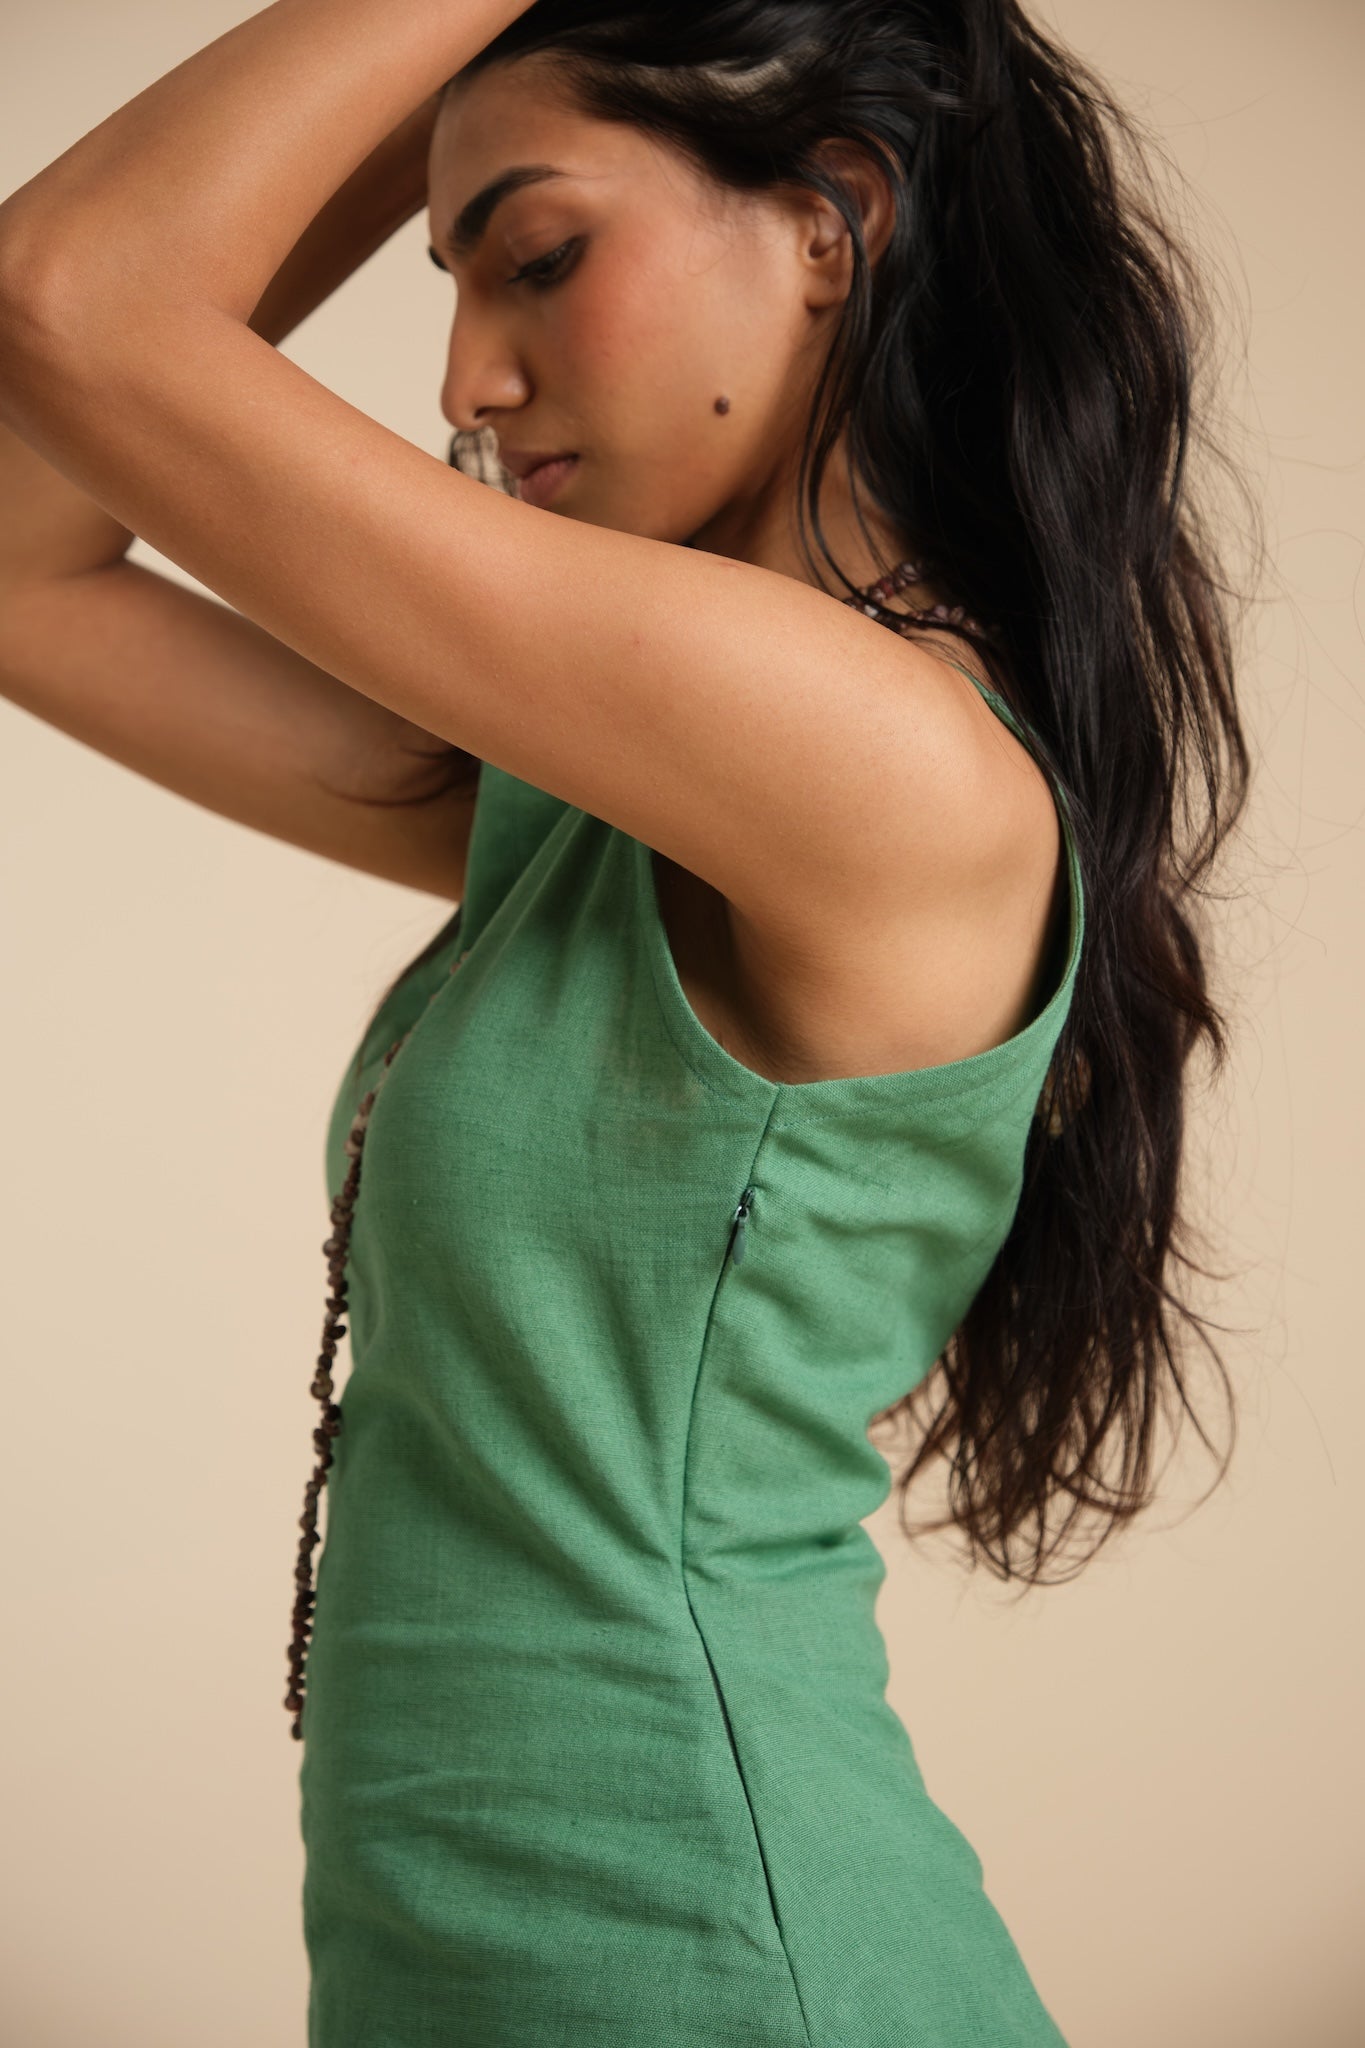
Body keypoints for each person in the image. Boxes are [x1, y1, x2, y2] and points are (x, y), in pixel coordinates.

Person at [0, 0, 1254, 2040]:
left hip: (704, 1963)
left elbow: (68, 296)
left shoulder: (866, 762)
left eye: (539, 252)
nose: (464, 374)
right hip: (477, 1963)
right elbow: (19, 555)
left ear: (835, 215)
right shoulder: (617, 793)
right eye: (456, 275)